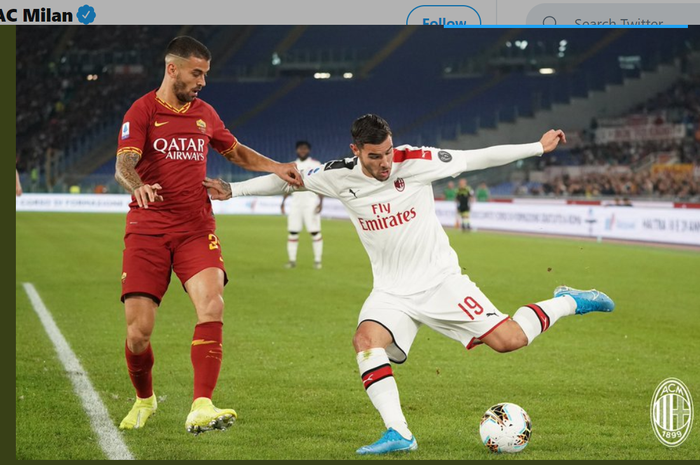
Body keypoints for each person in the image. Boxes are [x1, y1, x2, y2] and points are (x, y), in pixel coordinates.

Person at [203, 114, 614, 454]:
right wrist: (233, 189)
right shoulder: (337, 176)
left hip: (440, 282)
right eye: (376, 157)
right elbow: (287, 178)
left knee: (509, 340)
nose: (386, 163)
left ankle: (568, 300)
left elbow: (477, 158)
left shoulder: (416, 160)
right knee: (366, 341)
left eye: (388, 153)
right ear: (355, 152)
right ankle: (399, 433)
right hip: (391, 292)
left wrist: (536, 148)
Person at [114, 36, 300, 434]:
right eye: (196, 73)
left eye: (205, 74)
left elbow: (234, 151)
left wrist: (276, 166)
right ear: (172, 69)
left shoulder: (205, 113)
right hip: (147, 229)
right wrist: (137, 186)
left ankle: (201, 404)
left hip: (196, 227)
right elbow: (124, 164)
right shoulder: (143, 109)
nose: (202, 81)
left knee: (212, 303)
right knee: (138, 334)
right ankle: (145, 399)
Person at [280, 141, 324, 269]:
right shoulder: (292, 165)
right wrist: (283, 202)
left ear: (308, 150)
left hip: (311, 203)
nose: (302, 151)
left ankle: (317, 261)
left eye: (305, 149)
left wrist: (321, 202)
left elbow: (321, 184)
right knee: (293, 232)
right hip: (295, 204)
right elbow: (287, 185)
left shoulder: (315, 164)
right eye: (300, 148)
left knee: (315, 232)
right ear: (297, 150)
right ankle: (292, 261)